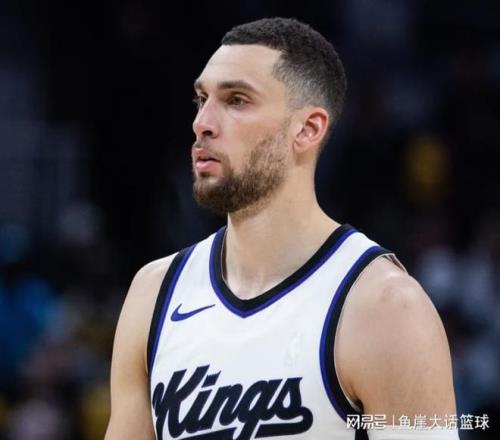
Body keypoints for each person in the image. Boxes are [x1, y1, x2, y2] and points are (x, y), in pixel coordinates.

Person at [105, 17, 459, 440]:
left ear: (308, 129)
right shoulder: (153, 294)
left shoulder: (386, 309)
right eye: (201, 99)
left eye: (236, 100)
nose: (203, 122)